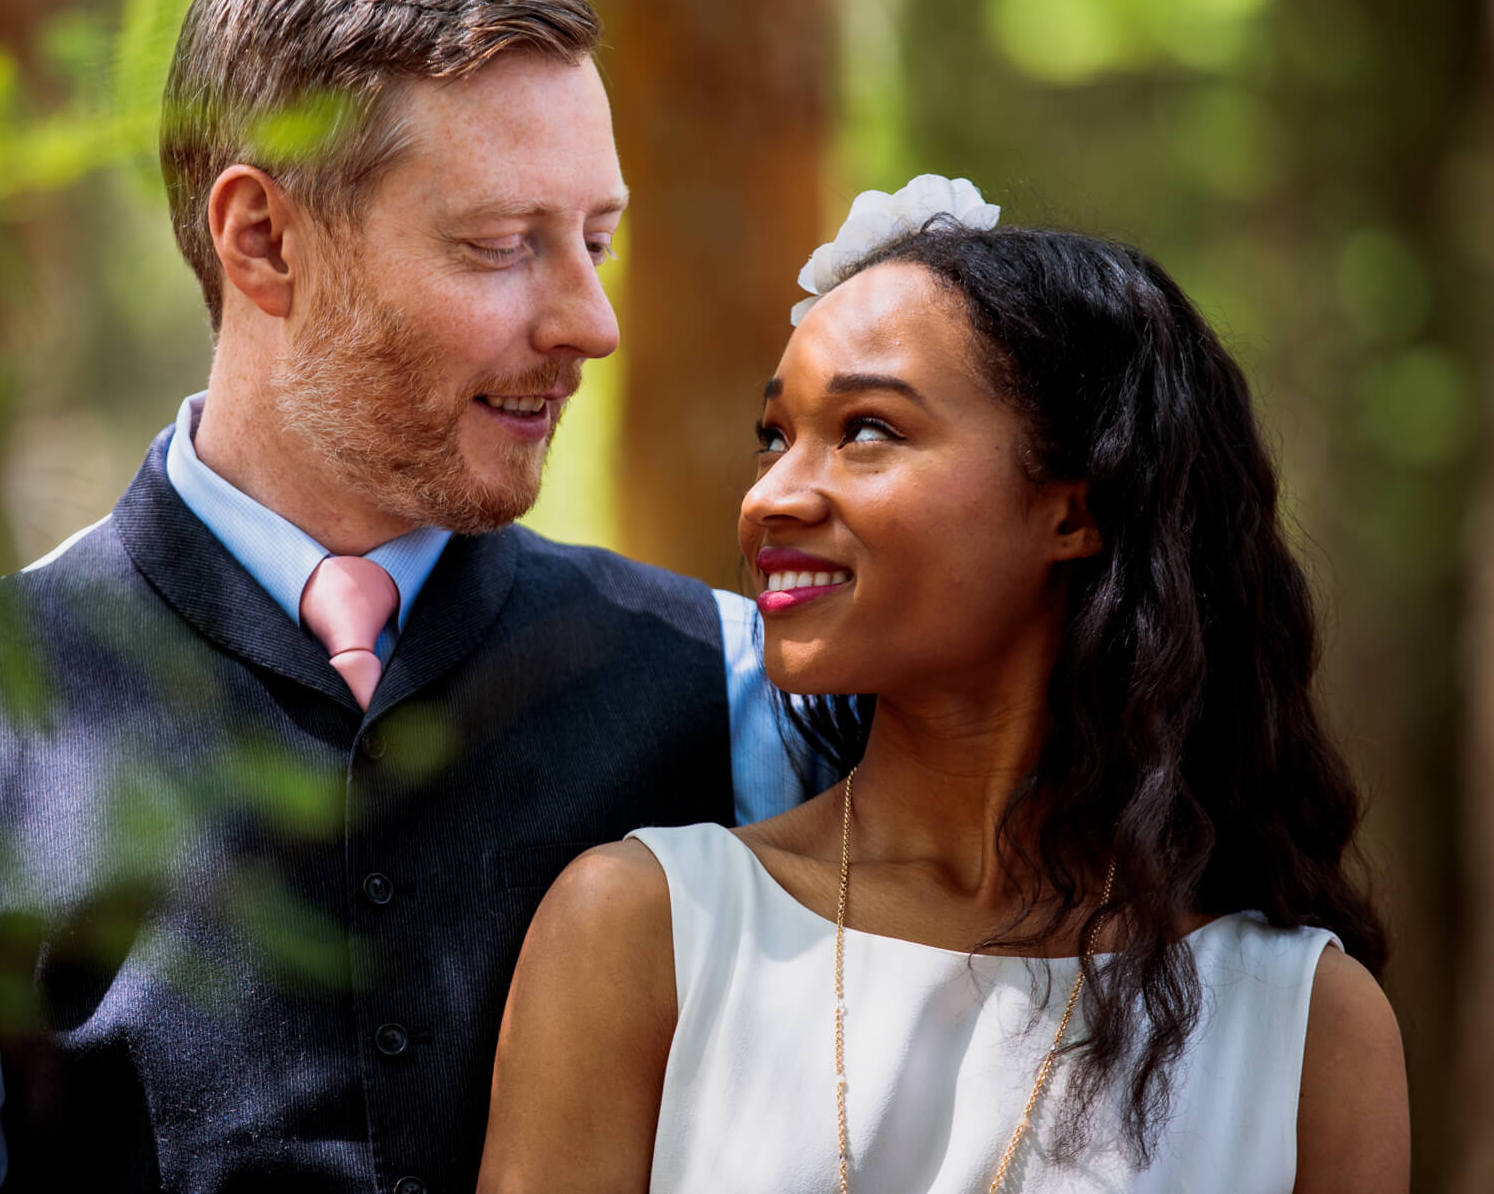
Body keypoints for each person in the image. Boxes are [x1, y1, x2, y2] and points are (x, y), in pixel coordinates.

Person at [0, 0, 821, 1193]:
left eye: (596, 241)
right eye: (503, 246)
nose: (590, 322)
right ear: (263, 240)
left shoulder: (736, 695)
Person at [479, 177, 1410, 1193]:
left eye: (866, 430)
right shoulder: (642, 926)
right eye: (774, 437)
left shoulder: (1302, 1022)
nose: (771, 497)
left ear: (1072, 510)